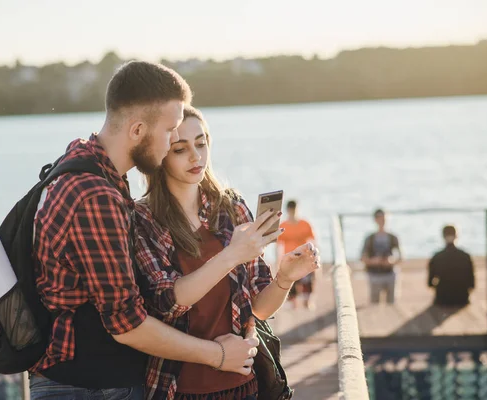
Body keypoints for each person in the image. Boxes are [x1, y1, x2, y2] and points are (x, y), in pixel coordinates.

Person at [30, 62, 258, 400]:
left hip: (85, 377)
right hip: (90, 384)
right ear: (137, 130)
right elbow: (127, 323)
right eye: (170, 133)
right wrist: (219, 356)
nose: (171, 144)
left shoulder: (88, 165)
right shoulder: (96, 196)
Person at [135, 105, 320, 399]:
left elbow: (258, 308)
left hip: (244, 385)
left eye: (201, 143)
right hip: (177, 389)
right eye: (180, 149)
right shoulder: (143, 219)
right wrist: (232, 255)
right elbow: (166, 300)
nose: (196, 156)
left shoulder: (231, 208)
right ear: (160, 156)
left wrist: (285, 278)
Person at [276, 200, 317, 309]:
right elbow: (278, 245)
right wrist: (278, 261)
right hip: (290, 259)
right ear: (288, 210)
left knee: (307, 282)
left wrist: (315, 257)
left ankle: (307, 302)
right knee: (291, 282)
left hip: (304, 258)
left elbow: (313, 241)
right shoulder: (283, 226)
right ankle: (292, 302)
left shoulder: (305, 224)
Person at [360, 209, 403, 304]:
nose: (382, 221)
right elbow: (363, 258)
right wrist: (374, 261)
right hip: (374, 274)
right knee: (374, 303)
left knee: (392, 303)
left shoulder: (393, 237)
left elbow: (400, 257)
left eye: (384, 218)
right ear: (375, 220)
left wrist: (391, 261)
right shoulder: (370, 238)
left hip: (390, 273)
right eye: (380, 218)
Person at [428, 225, 475, 307]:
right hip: (462, 298)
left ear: (443, 236)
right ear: (456, 236)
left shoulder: (437, 257)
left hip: (442, 298)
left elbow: (430, 283)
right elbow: (472, 283)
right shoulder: (465, 256)